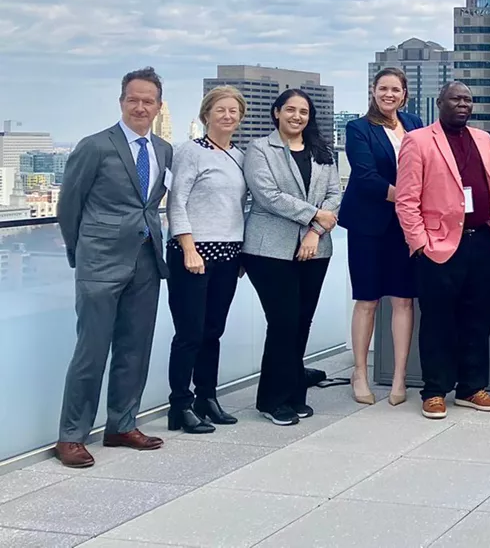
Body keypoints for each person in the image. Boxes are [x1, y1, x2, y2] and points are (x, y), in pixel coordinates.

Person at [55, 68, 174, 468]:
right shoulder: (94, 146)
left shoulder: (162, 149)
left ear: (159, 106)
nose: (140, 107)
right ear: (121, 101)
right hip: (100, 262)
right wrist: (82, 253)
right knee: (91, 351)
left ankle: (122, 424)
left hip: (146, 261)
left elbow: (150, 203)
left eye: (148, 101)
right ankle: (71, 435)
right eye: (133, 99)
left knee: (134, 348)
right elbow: (68, 206)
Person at [396, 81, 490, 420]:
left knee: (477, 319)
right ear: (440, 103)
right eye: (456, 99)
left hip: (481, 241)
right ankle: (434, 391)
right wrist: (419, 243)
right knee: (437, 321)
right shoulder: (418, 140)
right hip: (438, 245)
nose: (463, 104)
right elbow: (406, 200)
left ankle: (471, 387)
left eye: (467, 99)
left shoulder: (482, 139)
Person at [241, 89, 342, 426]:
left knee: (301, 323)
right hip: (269, 249)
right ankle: (271, 398)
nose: (297, 116)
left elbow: (334, 195)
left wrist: (315, 232)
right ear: (276, 113)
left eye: (303, 111)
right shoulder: (259, 149)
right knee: (283, 322)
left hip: (316, 248)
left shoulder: (323, 151)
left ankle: (294, 391)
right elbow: (268, 196)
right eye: (290, 110)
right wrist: (315, 215)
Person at [338, 67, 424, 407]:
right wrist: (406, 199)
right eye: (383, 88)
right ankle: (360, 371)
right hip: (369, 225)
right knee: (368, 300)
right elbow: (366, 176)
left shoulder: (416, 124)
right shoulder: (358, 128)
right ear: (373, 91)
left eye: (396, 89)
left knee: (404, 299)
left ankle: (400, 376)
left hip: (405, 227)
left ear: (405, 93)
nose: (389, 94)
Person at [165, 85, 248, 435]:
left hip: (228, 254)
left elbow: (241, 207)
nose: (227, 116)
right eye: (220, 110)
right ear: (206, 115)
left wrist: (241, 252)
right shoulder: (190, 151)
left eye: (233, 111)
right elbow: (176, 202)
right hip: (193, 253)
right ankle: (180, 405)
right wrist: (188, 248)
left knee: (213, 331)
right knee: (189, 333)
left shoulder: (240, 156)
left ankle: (207, 398)